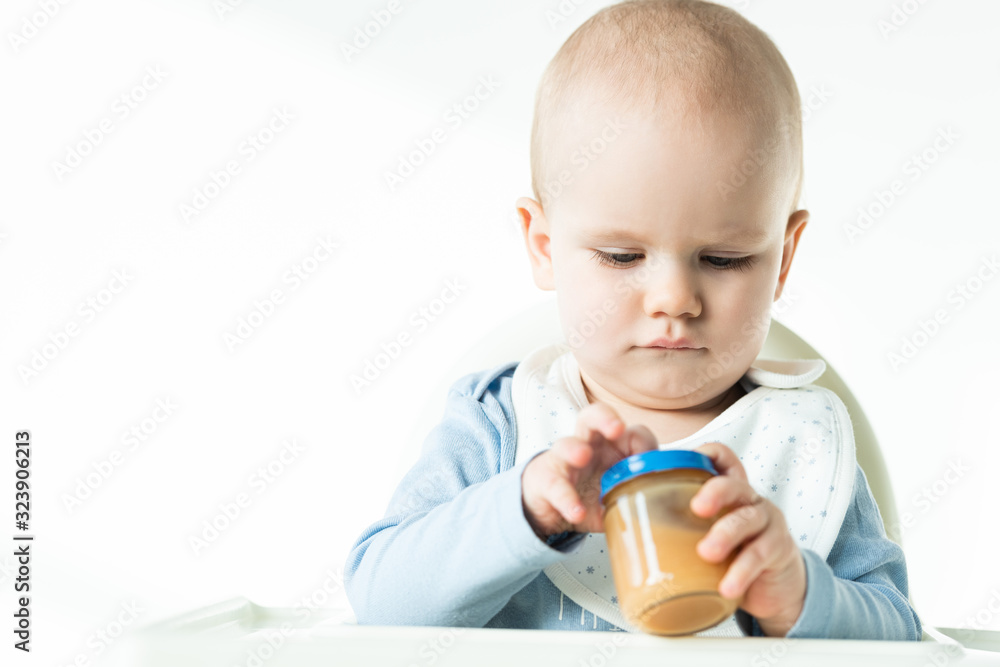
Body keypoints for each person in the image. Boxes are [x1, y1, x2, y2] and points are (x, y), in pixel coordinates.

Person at [344, 0, 921, 639]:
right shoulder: (499, 424)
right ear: (544, 248)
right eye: (622, 255)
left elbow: (901, 635)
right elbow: (382, 605)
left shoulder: (802, 438)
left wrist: (798, 594)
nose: (674, 297)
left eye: (725, 259)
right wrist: (527, 508)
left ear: (782, 259)